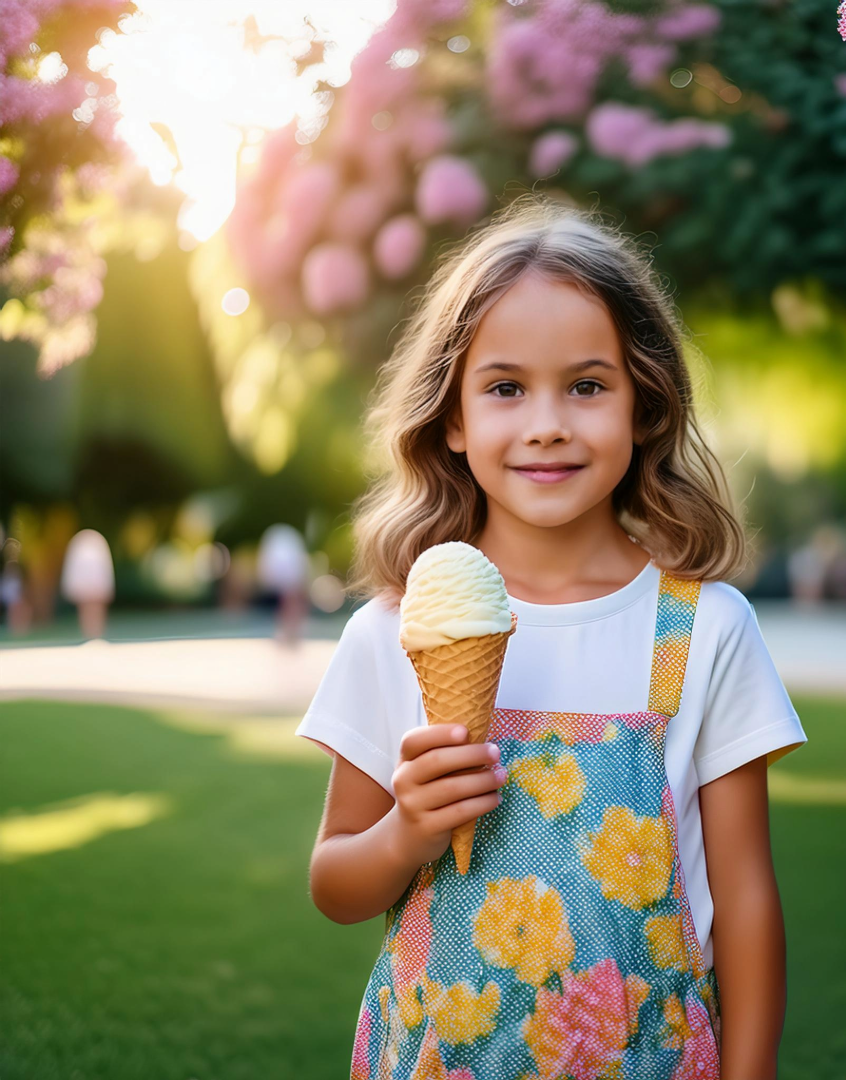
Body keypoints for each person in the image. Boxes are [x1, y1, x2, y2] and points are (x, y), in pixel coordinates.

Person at [295, 196, 808, 1079]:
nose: (547, 423)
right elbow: (335, 884)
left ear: (645, 404)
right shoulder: (393, 632)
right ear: (452, 418)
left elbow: (747, 896)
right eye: (504, 388)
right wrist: (406, 833)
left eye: (586, 384)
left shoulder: (705, 629)